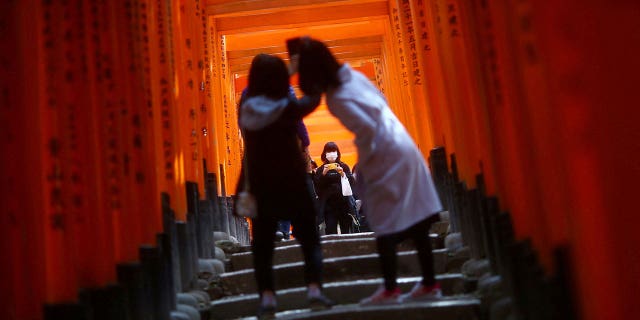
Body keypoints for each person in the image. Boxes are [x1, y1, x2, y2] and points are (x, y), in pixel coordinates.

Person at [290, 36, 444, 305]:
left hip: (383, 153)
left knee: (383, 220)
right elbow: (380, 102)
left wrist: (367, 170)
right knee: (417, 219)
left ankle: (390, 288)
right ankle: (429, 282)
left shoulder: (337, 97)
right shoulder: (354, 77)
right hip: (402, 142)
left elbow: (366, 129)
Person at [235, 53, 334, 318]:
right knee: (309, 238)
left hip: (259, 180)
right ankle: (314, 290)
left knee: (263, 244)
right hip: (291, 178)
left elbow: (245, 132)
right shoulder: (285, 104)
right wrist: (305, 73)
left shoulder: (246, 103)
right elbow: (311, 101)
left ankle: (267, 298)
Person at [240, 85, 310, 241]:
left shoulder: (248, 92)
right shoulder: (286, 89)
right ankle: (284, 230)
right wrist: (304, 141)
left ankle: (272, 229)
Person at [314, 142, 356, 235]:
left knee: (346, 231)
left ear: (337, 153)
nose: (331, 153)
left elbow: (352, 183)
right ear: (325, 153)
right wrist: (323, 174)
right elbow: (317, 187)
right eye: (329, 151)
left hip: (344, 204)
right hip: (329, 207)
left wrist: (342, 174)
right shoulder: (321, 169)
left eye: (333, 151)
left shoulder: (344, 166)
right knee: (330, 231)